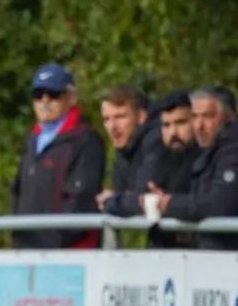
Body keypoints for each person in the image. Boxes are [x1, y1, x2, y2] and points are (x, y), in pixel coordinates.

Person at [11, 63, 105, 248]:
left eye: (53, 94)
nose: (45, 101)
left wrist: (57, 241)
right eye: (38, 95)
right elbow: (18, 193)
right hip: (27, 248)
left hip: (68, 253)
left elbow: (81, 199)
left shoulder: (85, 140)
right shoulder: (32, 139)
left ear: (70, 98)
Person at [146, 86, 238, 249]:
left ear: (228, 117)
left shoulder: (232, 151)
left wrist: (171, 204)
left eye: (208, 116)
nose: (199, 126)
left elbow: (220, 204)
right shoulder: (209, 153)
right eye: (195, 117)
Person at [137, 90, 200, 248]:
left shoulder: (209, 156)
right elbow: (137, 196)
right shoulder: (155, 157)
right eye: (166, 125)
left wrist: (169, 203)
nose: (173, 132)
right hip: (161, 251)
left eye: (181, 122)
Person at [96, 85, 160, 217]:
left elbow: (142, 200)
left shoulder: (156, 141)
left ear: (141, 116)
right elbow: (121, 192)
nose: (112, 127)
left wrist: (111, 202)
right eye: (106, 119)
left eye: (120, 117)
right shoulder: (125, 146)